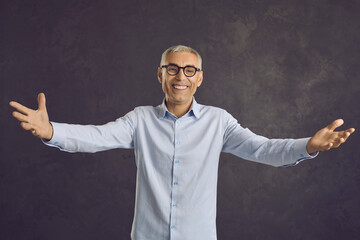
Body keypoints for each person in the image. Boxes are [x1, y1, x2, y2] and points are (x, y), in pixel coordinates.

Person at [9, 45, 355, 240]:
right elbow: (97, 137)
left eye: (189, 70)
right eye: (172, 69)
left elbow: (262, 149)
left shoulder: (218, 121)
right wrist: (52, 130)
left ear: (199, 78)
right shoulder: (140, 119)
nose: (180, 77)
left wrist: (308, 146)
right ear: (160, 74)